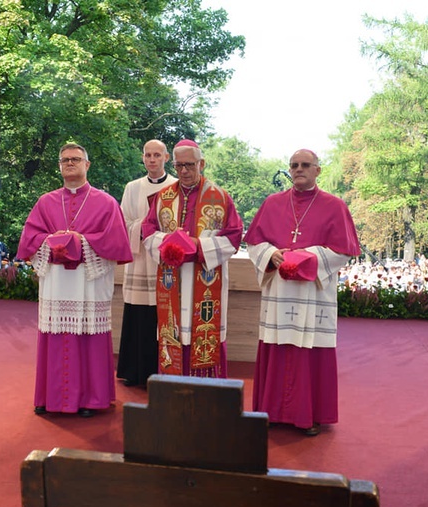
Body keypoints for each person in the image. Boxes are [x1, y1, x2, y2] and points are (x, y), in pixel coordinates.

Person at [243, 149, 360, 436]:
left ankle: (310, 415)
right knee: (277, 346)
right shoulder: (273, 203)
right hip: (279, 291)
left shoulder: (334, 206)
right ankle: (271, 411)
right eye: (294, 165)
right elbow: (254, 243)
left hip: (313, 294)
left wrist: (307, 257)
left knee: (310, 352)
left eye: (305, 165)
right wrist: (271, 254)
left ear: (317, 170)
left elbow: (344, 251)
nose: (299, 169)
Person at [16, 142, 132, 417]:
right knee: (55, 335)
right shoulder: (46, 202)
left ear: (87, 165)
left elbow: (115, 242)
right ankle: (49, 397)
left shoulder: (106, 202)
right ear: (59, 166)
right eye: (65, 160)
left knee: (88, 336)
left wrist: (81, 242)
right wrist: (52, 242)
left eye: (76, 159)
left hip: (88, 283)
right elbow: (29, 239)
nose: (70, 163)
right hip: (57, 282)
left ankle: (91, 399)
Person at [142, 139, 243, 378]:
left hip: (205, 278)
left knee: (205, 335)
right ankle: (170, 397)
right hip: (171, 278)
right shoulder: (162, 197)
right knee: (172, 334)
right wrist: (168, 247)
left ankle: (207, 398)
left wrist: (199, 247)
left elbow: (235, 235)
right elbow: (147, 230)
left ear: (202, 163)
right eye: (179, 166)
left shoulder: (220, 196)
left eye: (189, 165)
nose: (184, 171)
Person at [116, 139, 178, 387]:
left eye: (157, 155)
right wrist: (144, 226)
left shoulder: (176, 185)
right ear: (142, 158)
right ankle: (134, 371)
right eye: (148, 155)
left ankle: (163, 369)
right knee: (138, 314)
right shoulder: (132, 187)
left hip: (165, 261)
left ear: (166, 158)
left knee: (162, 315)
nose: (152, 159)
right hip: (140, 257)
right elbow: (123, 222)